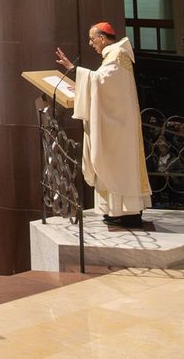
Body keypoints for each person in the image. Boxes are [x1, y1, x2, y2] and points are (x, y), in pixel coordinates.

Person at [55, 22, 153, 228]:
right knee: (111, 165)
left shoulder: (117, 54)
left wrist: (74, 71)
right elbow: (101, 83)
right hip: (115, 123)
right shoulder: (113, 55)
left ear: (102, 37)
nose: (91, 43)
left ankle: (129, 213)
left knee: (118, 166)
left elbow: (101, 81)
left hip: (118, 127)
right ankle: (115, 210)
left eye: (92, 39)